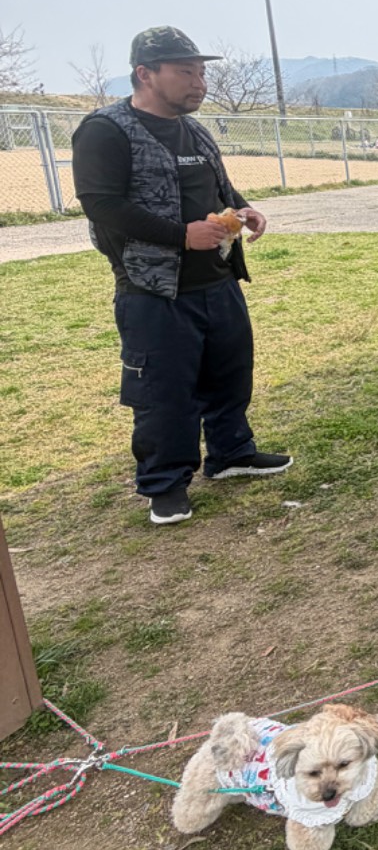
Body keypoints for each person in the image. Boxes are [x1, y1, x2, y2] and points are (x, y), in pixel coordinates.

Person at [71, 26, 291, 527]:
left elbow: (218, 185)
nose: (199, 83)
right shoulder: (106, 130)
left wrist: (244, 209)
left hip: (218, 280)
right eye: (185, 71)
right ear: (145, 74)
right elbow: (101, 204)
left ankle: (231, 453)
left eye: (201, 73)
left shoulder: (194, 130)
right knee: (164, 392)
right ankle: (165, 484)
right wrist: (180, 235)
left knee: (230, 375)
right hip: (154, 291)